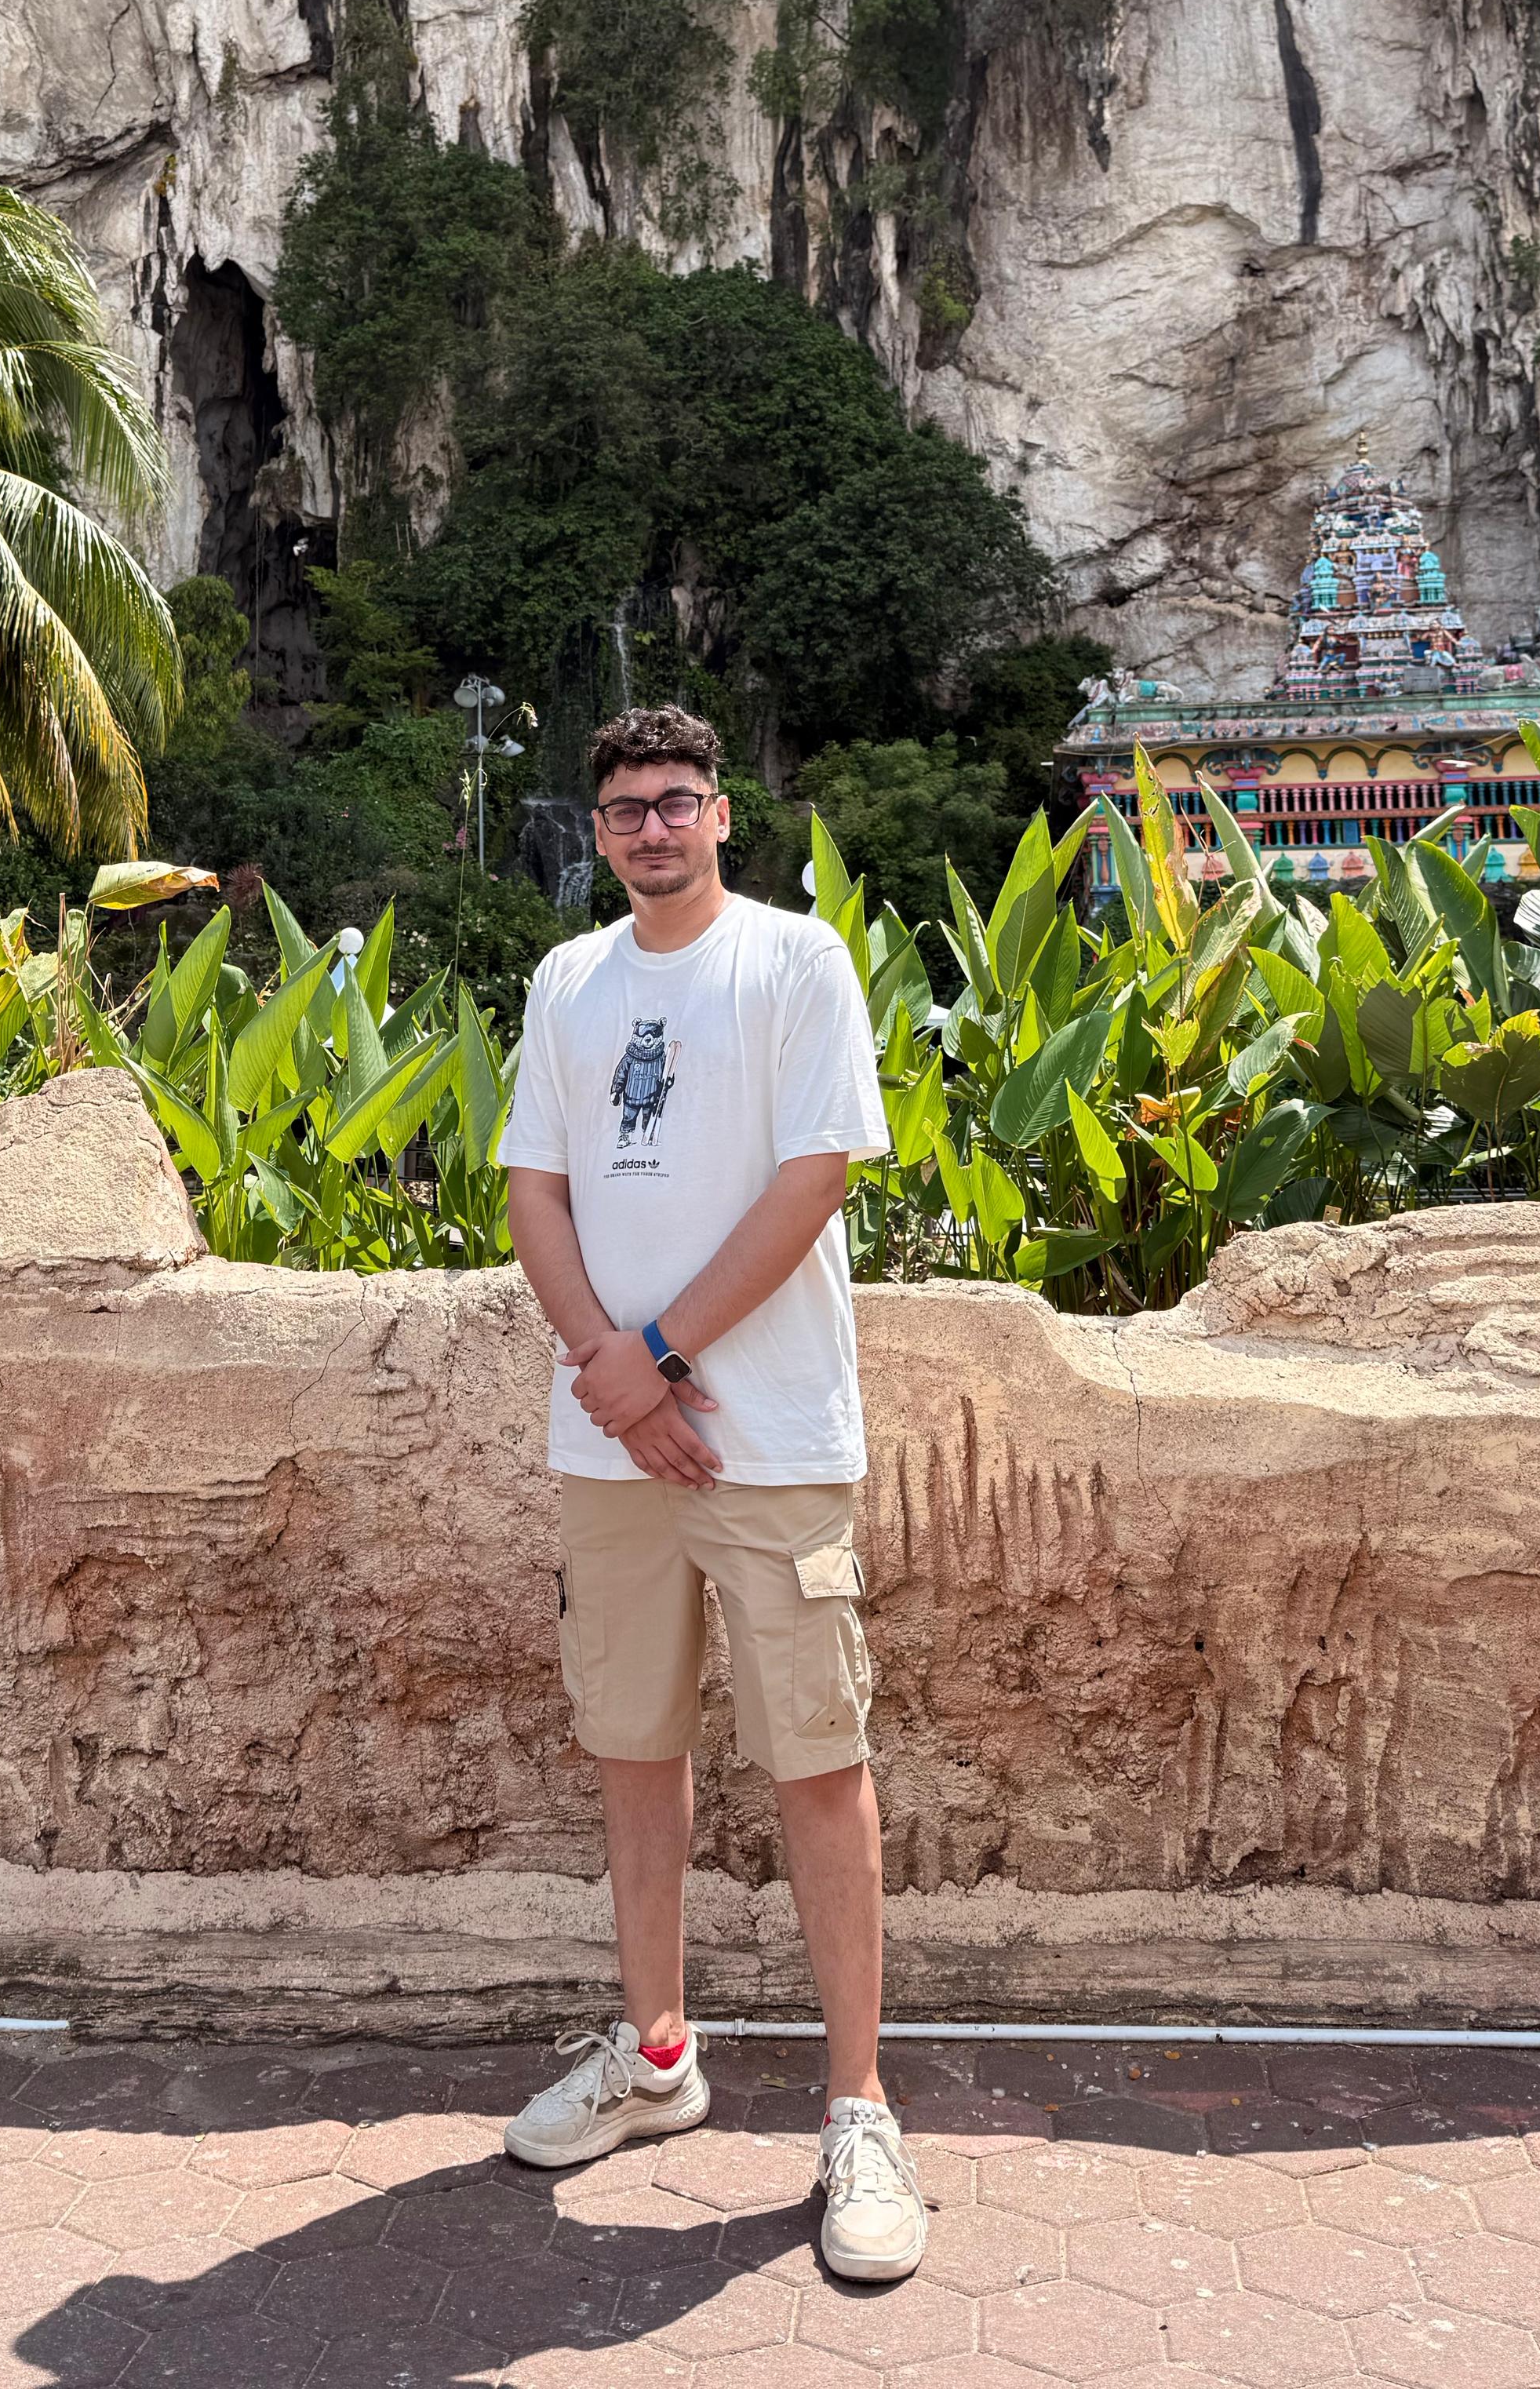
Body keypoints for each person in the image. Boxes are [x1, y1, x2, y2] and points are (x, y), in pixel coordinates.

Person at [494, 701, 925, 2284]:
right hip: (613, 1440)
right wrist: (611, 1367)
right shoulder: (567, 981)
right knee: (634, 1749)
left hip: (771, 1435)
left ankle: (858, 2108)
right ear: (599, 831)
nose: (652, 829)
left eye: (676, 803)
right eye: (625, 810)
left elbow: (817, 1171)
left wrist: (663, 1352)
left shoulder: (798, 962)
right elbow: (534, 1181)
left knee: (820, 1755)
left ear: (722, 815)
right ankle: (658, 2053)